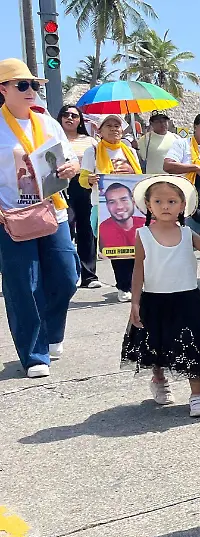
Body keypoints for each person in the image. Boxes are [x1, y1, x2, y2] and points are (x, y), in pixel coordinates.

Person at [0, 59, 81, 378]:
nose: (31, 90)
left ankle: (49, 331)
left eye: (34, 85)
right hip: (12, 215)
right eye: (23, 85)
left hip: (53, 209)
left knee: (66, 275)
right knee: (23, 285)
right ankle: (34, 354)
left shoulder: (47, 122)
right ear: (3, 89)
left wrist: (72, 168)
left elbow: (70, 157)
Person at [122, 175, 200, 417]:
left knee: (192, 347)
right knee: (156, 345)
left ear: (183, 206)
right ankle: (159, 379)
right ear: (149, 205)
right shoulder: (143, 235)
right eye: (158, 201)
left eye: (172, 201)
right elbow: (139, 269)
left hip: (187, 300)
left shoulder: (189, 235)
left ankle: (197, 394)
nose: (165, 206)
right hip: (154, 300)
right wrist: (135, 302)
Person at [79, 114, 143, 302]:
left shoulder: (129, 150)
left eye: (117, 126)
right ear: (99, 131)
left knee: (135, 247)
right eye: (109, 126)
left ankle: (134, 284)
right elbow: (83, 179)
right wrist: (89, 179)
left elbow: (139, 174)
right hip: (105, 207)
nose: (114, 129)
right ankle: (123, 286)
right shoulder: (93, 152)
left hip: (131, 206)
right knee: (117, 248)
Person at [58, 104, 100, 288]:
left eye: (74, 116)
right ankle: (66, 273)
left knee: (86, 229)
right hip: (58, 186)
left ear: (80, 120)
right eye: (65, 115)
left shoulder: (90, 141)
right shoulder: (52, 138)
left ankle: (89, 276)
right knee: (64, 228)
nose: (70, 118)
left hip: (83, 186)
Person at [163, 114, 200, 234]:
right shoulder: (182, 144)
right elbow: (168, 166)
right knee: (187, 238)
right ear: (195, 127)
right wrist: (194, 168)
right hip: (186, 199)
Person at [97, 182, 146, 250]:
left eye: (124, 200)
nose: (119, 207)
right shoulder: (101, 230)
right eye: (112, 202)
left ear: (133, 201)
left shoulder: (150, 225)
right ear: (107, 206)